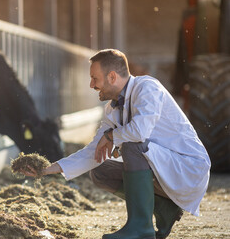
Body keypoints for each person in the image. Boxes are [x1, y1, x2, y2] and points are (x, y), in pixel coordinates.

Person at [21, 49, 211, 239]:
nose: (91, 84)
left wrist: (112, 136)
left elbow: (140, 131)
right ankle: (164, 208)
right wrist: (46, 170)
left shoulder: (147, 88)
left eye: (94, 78)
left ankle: (140, 229)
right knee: (100, 171)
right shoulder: (113, 109)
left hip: (188, 168)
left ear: (112, 77)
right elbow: (92, 152)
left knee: (131, 145)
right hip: (164, 169)